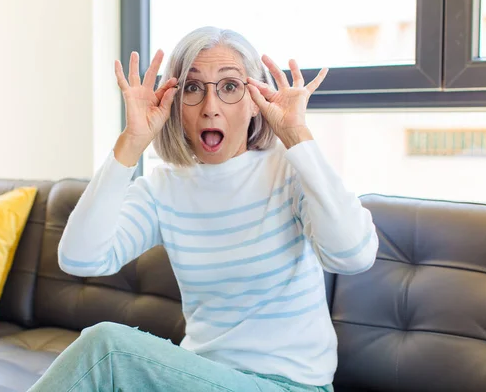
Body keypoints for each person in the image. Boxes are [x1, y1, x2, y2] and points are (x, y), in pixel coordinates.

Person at [28, 26, 378, 392]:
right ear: (175, 105)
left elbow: (354, 255)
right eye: (193, 88)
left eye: (229, 87)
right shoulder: (164, 188)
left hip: (289, 385)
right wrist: (131, 142)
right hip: (196, 377)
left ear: (255, 102)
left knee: (107, 351)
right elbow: (80, 259)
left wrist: (296, 136)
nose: (211, 108)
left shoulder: (288, 172)